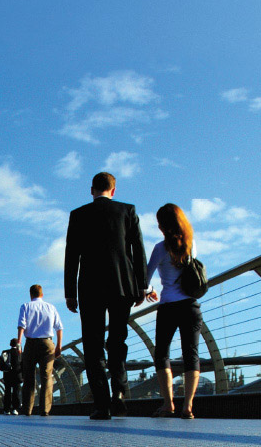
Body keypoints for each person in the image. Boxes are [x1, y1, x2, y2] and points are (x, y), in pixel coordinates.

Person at [64, 171, 147, 420]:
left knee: (93, 345)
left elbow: (71, 256)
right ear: (114, 190)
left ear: (91, 190)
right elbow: (138, 250)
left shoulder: (78, 215)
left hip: (90, 287)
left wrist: (70, 292)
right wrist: (142, 285)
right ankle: (120, 391)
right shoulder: (128, 211)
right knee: (118, 340)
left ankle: (102, 404)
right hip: (122, 286)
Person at [145, 204, 204, 419]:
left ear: (162, 226)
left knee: (162, 354)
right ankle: (188, 406)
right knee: (192, 354)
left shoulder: (160, 248)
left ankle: (168, 404)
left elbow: (145, 278)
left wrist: (150, 291)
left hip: (169, 306)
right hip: (191, 305)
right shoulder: (191, 244)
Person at [16, 284, 63, 417]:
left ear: (31, 294)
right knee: (47, 377)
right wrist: (59, 345)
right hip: (47, 343)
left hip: (30, 343)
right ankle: (45, 410)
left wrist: (19, 343)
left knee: (29, 378)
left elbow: (21, 325)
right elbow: (59, 327)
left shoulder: (25, 306)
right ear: (42, 294)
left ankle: (27, 410)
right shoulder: (51, 307)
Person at [0, 339, 21, 415]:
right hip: (17, 375)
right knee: (16, 393)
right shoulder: (19, 353)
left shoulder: (5, 352)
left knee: (7, 392)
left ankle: (6, 409)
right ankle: (15, 409)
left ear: (10, 344)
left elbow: (0, 363)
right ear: (18, 345)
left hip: (7, 375)